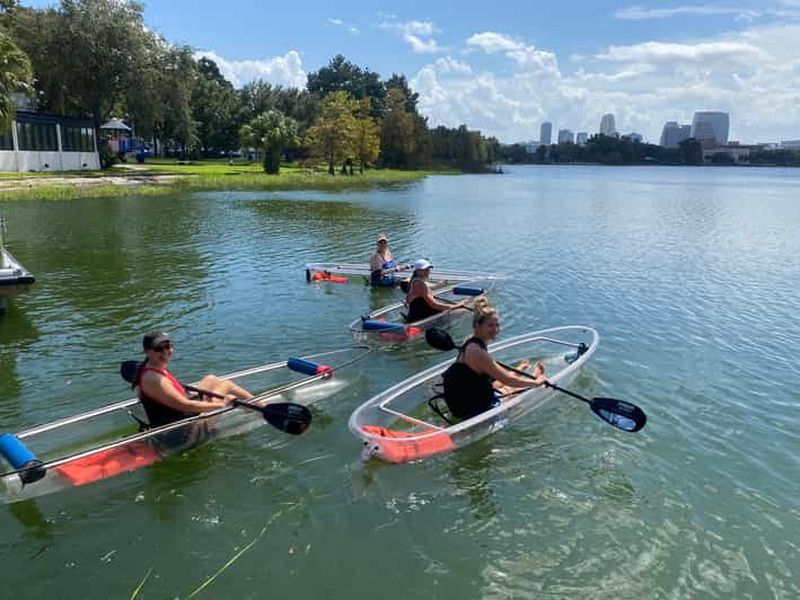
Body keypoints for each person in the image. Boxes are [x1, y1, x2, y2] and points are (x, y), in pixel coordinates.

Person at [442, 299, 547, 421]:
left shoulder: (470, 341)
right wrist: (536, 382)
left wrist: (513, 372)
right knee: (509, 390)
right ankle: (534, 376)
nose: (496, 329)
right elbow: (507, 380)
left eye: (497, 325)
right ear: (477, 326)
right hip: (472, 409)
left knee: (495, 383)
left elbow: (489, 374)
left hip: (467, 398)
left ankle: (519, 370)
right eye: (490, 325)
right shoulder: (476, 351)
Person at [134, 330, 253, 427]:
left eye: (167, 346)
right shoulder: (153, 378)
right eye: (158, 349)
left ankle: (253, 407)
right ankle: (261, 408)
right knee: (226, 385)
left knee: (211, 379)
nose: (165, 352)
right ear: (147, 352)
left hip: (185, 417)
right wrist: (223, 404)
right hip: (184, 433)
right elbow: (185, 405)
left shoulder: (151, 366)